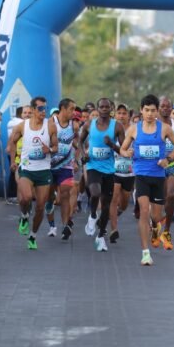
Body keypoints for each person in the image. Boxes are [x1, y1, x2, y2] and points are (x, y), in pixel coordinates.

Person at [120, 94, 174, 266]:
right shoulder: (134, 129)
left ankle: (156, 228)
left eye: (153, 110)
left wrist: (168, 159)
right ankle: (145, 253)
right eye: (146, 110)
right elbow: (122, 149)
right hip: (141, 175)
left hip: (158, 176)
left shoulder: (164, 129)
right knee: (144, 211)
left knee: (156, 216)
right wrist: (127, 153)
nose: (149, 113)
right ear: (141, 111)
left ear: (157, 111)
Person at [7, 96, 59, 250]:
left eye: (45, 108)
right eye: (41, 109)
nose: (44, 112)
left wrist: (49, 150)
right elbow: (12, 143)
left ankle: (33, 236)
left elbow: (56, 147)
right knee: (26, 198)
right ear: (34, 110)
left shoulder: (50, 126)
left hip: (43, 172)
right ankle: (24, 217)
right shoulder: (22, 126)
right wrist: (13, 161)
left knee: (40, 207)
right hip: (27, 169)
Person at [78, 98, 126, 252]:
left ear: (111, 108)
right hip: (93, 166)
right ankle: (92, 215)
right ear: (97, 109)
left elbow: (123, 151)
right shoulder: (89, 124)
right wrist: (83, 155)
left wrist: (112, 145)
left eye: (107, 107)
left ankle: (100, 237)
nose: (104, 109)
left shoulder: (117, 126)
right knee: (95, 192)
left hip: (109, 170)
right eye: (101, 107)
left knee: (106, 206)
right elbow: (80, 141)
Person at [49, 98, 79, 241]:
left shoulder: (74, 126)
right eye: (71, 109)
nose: (74, 112)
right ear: (62, 108)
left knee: (65, 193)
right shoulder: (51, 122)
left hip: (66, 165)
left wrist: (77, 159)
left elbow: (78, 142)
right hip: (49, 165)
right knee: (48, 198)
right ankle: (51, 225)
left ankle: (66, 225)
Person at [158, 96, 174, 249]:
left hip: (172, 164)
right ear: (158, 107)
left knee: (171, 195)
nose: (166, 108)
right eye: (163, 106)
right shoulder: (152, 123)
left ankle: (166, 230)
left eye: (169, 106)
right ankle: (155, 223)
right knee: (159, 200)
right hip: (156, 165)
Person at [110, 104, 134, 243]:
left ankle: (118, 212)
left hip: (130, 172)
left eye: (124, 113)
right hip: (114, 169)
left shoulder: (134, 130)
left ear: (128, 116)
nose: (121, 115)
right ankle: (114, 229)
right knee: (113, 198)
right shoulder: (111, 129)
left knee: (124, 202)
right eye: (119, 113)